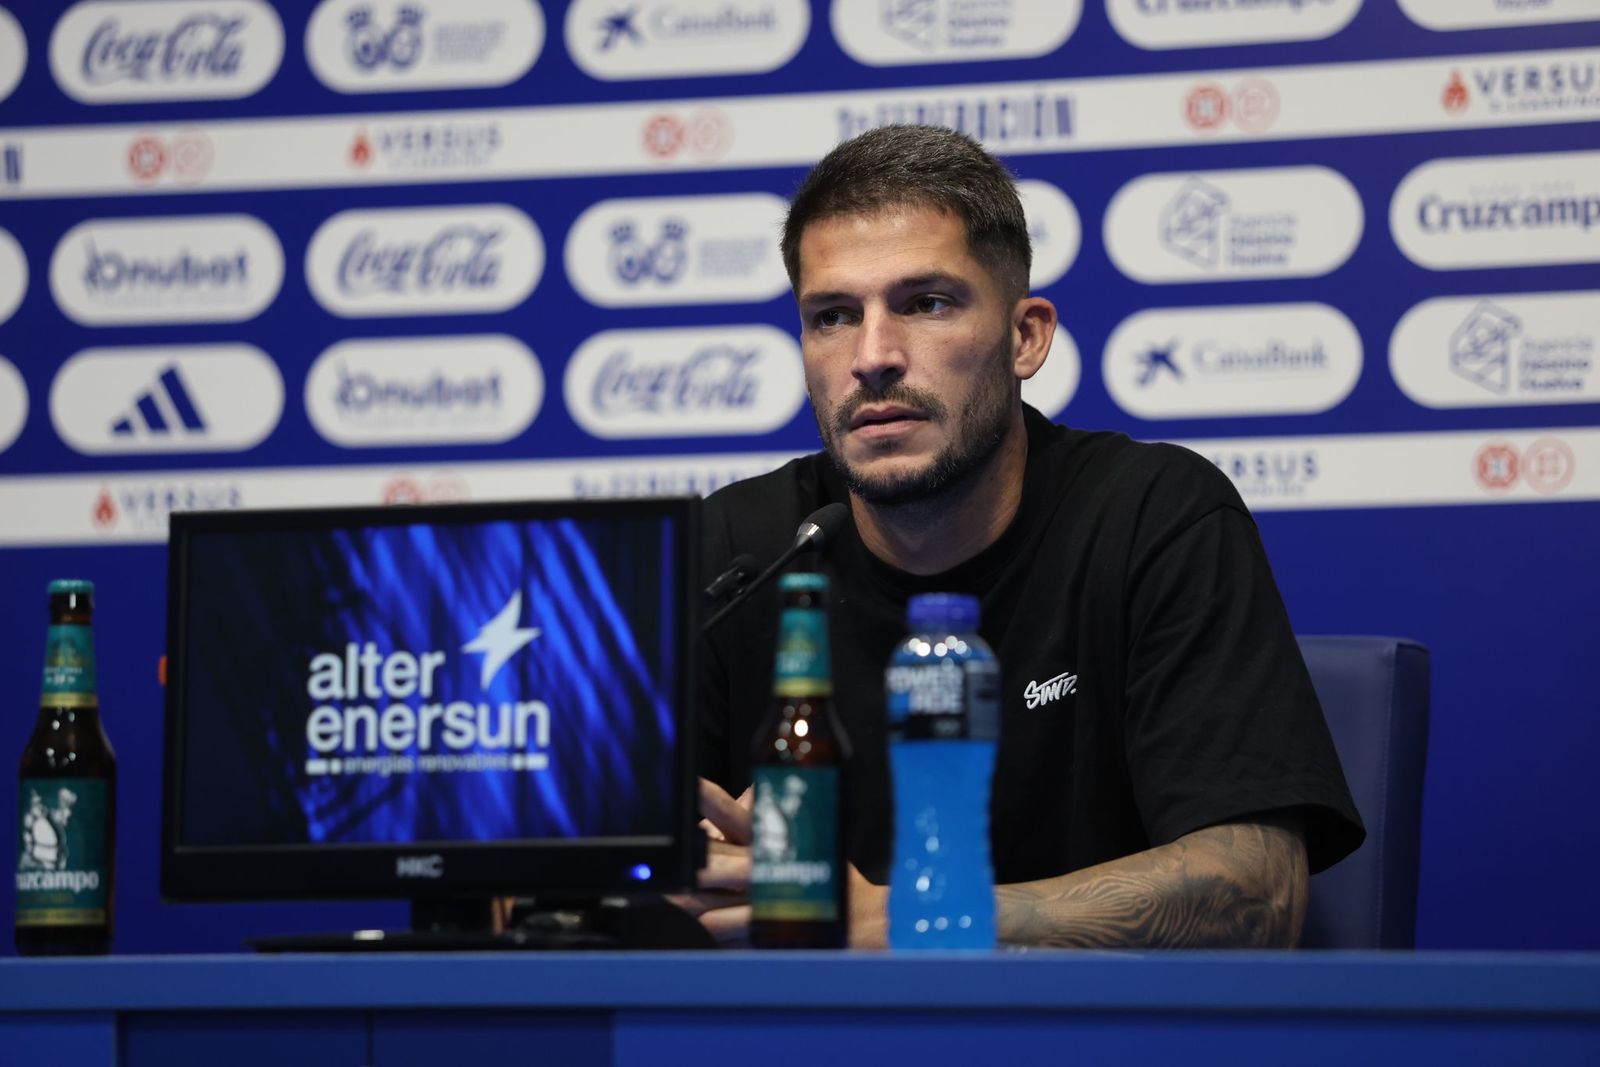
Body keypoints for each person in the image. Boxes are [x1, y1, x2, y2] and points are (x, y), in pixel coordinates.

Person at [684, 125, 1364, 949]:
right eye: (832, 315)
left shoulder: (1154, 514)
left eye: (925, 303)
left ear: (1025, 336)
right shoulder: (746, 552)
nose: (872, 356)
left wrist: (917, 920)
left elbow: (1257, 893)